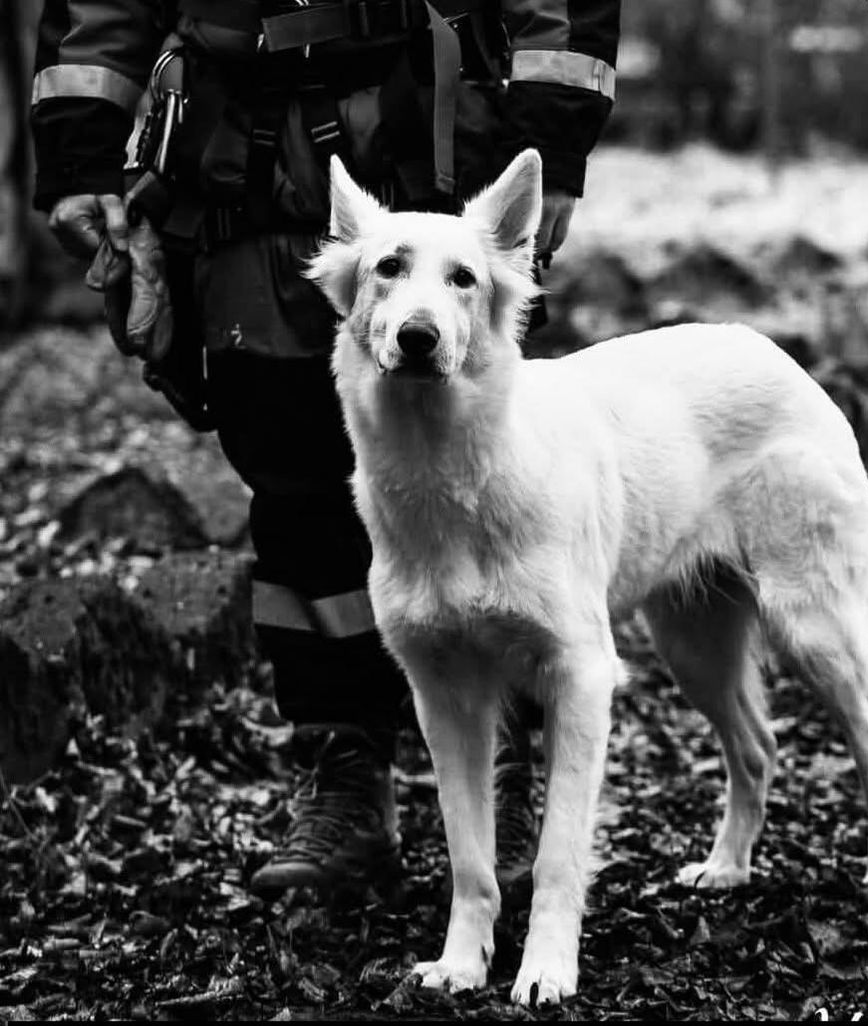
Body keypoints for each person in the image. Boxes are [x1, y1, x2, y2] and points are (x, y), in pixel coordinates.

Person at [31, 0, 620, 898]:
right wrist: (81, 147)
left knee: (491, 483)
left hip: (438, 144)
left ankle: (511, 768)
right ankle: (342, 774)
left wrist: (550, 139)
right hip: (239, 175)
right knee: (291, 482)